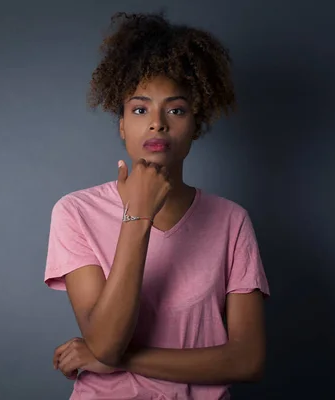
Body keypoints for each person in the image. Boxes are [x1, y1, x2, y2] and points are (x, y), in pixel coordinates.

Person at [44, 11, 270, 400]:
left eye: (176, 109)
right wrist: (139, 215)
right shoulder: (75, 212)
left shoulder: (232, 222)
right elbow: (107, 341)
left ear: (194, 125)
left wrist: (118, 359)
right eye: (140, 109)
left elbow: (247, 360)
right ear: (121, 125)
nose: (157, 123)